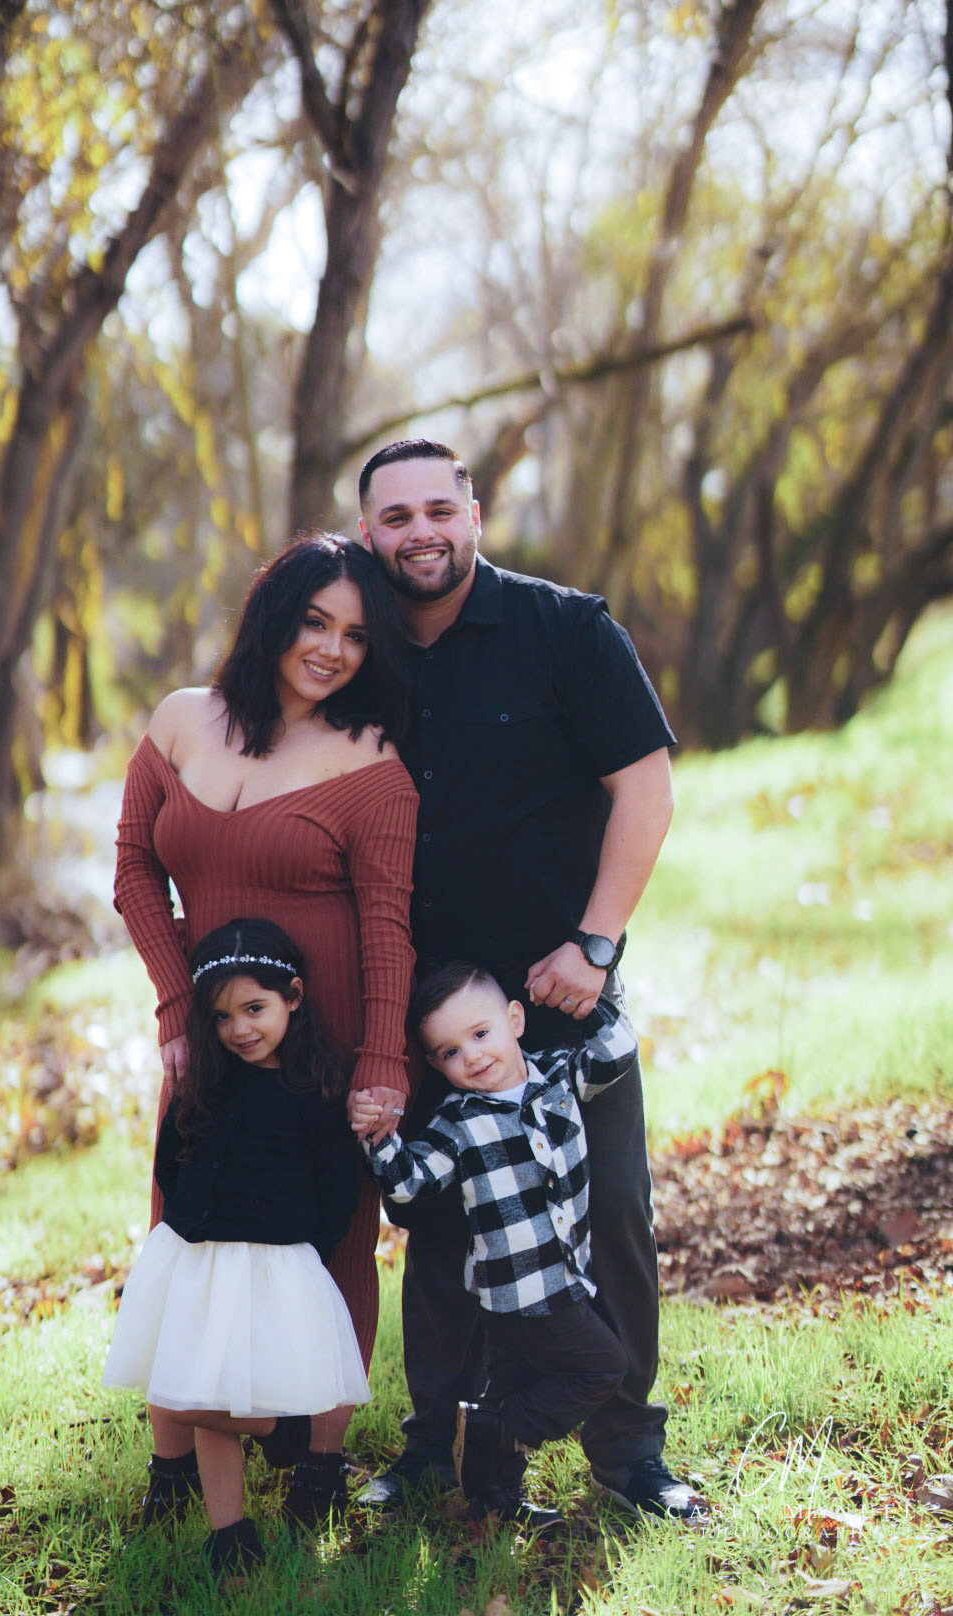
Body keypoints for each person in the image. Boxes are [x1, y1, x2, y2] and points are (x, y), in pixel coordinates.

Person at [355, 440, 703, 1520]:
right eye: (396, 517)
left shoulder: (568, 630)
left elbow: (646, 789)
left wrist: (595, 946)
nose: (420, 532)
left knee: (612, 1221)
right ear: (369, 535)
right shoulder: (360, 652)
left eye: (438, 509)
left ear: (475, 515)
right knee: (443, 1234)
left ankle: (629, 1453)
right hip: (431, 1022)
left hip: (562, 1007)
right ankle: (437, 1447)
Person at [113, 532, 418, 1524]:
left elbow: (388, 925)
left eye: (356, 636)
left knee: (329, 1239)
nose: (332, 649)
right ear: (273, 616)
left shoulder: (372, 761)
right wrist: (176, 1005)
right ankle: (174, 1463)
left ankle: (318, 1460)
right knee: (186, 1229)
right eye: (316, 622)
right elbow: (133, 871)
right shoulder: (181, 720)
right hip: (212, 1037)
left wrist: (380, 1062)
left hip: (322, 1044)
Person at [103, 918, 370, 1577]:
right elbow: (170, 1161)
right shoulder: (206, 1082)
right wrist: (189, 1225)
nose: (240, 1029)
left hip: (277, 1261)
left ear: (293, 998)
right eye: (222, 1017)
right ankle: (231, 1533)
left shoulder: (313, 1088)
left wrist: (305, 1249)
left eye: (255, 1009)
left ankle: (281, 1428)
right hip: (198, 1259)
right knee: (189, 1394)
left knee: (209, 1399)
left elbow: (338, 1184)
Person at [352, 961, 639, 1524]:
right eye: (450, 1052)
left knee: (512, 1384)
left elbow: (617, 1051)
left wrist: (589, 997)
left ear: (515, 1020)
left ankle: (494, 1498)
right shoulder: (458, 1122)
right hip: (522, 1292)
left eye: (481, 1033)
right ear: (436, 1063)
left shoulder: (557, 1077)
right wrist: (376, 1134)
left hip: (561, 1278)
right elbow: (408, 1184)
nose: (473, 1056)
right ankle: (500, 1431)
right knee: (604, 1367)